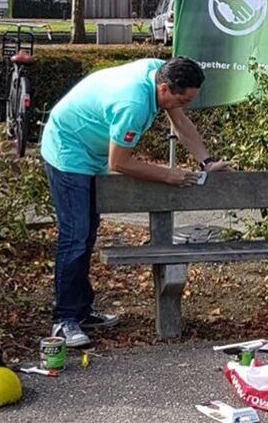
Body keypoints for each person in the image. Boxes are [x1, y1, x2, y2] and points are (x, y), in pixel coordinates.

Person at [40, 56, 230, 347]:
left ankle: (81, 311)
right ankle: (64, 320)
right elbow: (120, 162)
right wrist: (168, 176)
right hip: (68, 150)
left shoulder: (160, 71)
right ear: (165, 89)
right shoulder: (134, 105)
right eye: (183, 100)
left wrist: (207, 162)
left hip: (90, 151)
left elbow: (180, 121)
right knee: (75, 237)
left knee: (86, 233)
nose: (185, 106)